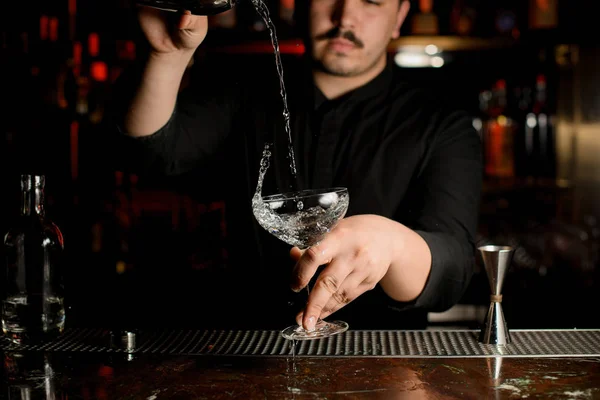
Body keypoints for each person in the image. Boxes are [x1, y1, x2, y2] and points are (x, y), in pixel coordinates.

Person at [107, 0, 482, 331]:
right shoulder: (245, 92)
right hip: (247, 356)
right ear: (299, 6)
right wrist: (167, 54)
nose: (345, 16)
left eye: (371, 1)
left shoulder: (442, 125)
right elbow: (148, 155)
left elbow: (453, 271)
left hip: (387, 367)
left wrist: (394, 245)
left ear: (400, 16)